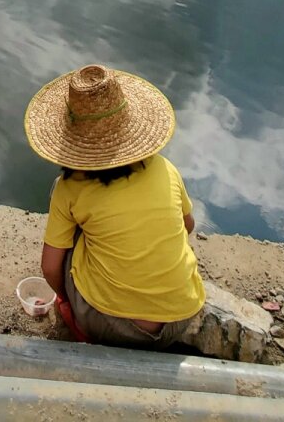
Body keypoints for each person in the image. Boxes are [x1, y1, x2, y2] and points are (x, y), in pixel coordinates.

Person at [26, 64, 205, 350]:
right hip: (180, 318)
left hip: (110, 328)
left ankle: (78, 322)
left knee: (72, 239)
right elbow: (188, 226)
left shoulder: (69, 187)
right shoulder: (166, 168)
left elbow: (49, 268)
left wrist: (66, 298)